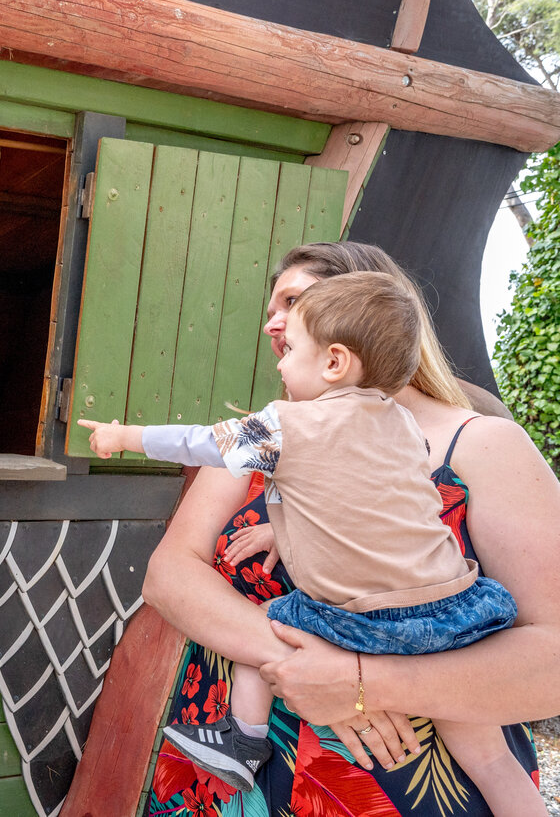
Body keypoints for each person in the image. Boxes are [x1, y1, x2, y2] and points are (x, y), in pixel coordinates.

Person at [80, 272, 540, 813]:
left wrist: (122, 436)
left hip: (364, 631)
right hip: (449, 610)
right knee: (490, 760)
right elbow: (373, 504)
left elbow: (195, 441)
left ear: (335, 359)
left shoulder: (283, 426)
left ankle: (241, 739)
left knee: (277, 618)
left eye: (291, 336)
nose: (276, 352)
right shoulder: (397, 424)